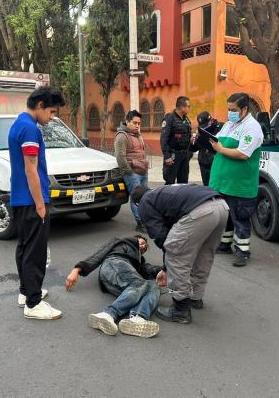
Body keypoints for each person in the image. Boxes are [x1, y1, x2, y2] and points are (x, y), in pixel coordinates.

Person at [131, 184, 229, 324]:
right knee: (204, 255)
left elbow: (163, 238)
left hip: (200, 211)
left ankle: (180, 310)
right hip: (221, 206)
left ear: (137, 203)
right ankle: (196, 298)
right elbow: (172, 231)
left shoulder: (145, 202)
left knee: (175, 253)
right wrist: (165, 268)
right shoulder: (163, 194)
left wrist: (168, 266)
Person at [9, 86, 65, 320]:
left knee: (24, 247)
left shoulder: (18, 123)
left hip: (20, 199)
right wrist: (41, 204)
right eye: (51, 112)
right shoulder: (30, 129)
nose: (52, 118)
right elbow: (31, 169)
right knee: (35, 252)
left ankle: (26, 292)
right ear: (40, 105)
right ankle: (33, 304)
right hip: (32, 200)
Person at [65, 235, 164, 338]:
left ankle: (138, 318)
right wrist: (76, 270)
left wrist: (165, 270)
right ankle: (108, 314)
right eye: (142, 242)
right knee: (140, 283)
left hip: (128, 279)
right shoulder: (120, 242)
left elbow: (149, 268)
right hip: (114, 264)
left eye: (145, 246)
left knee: (154, 286)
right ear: (134, 239)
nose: (144, 245)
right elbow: (98, 255)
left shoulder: (139, 262)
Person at [209, 93, 264, 267]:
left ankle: (242, 251)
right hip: (223, 183)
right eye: (228, 109)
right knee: (226, 218)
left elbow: (242, 154)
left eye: (233, 110)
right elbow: (219, 142)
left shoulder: (252, 127)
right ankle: (225, 245)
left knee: (240, 218)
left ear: (245, 109)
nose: (230, 113)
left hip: (239, 185)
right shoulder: (229, 124)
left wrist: (220, 148)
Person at [114, 110, 149, 232]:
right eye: (134, 123)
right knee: (137, 198)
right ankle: (140, 223)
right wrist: (129, 172)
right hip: (132, 173)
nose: (137, 125)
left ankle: (145, 220)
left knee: (145, 197)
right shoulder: (122, 136)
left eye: (139, 123)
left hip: (143, 171)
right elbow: (120, 157)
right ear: (127, 121)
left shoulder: (137, 134)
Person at [160, 96, 192, 185]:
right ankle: (168, 199)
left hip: (184, 155)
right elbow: (163, 138)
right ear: (182, 107)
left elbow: (188, 135)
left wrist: (189, 153)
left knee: (183, 182)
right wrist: (167, 156)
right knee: (170, 182)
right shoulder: (169, 118)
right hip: (173, 155)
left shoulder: (186, 119)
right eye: (188, 106)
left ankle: (181, 199)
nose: (189, 108)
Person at [190, 111, 223, 186]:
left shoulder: (222, 127)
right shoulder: (201, 131)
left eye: (205, 124)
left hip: (217, 164)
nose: (204, 127)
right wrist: (192, 142)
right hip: (204, 164)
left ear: (211, 120)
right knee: (207, 188)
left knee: (217, 188)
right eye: (202, 126)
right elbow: (194, 149)